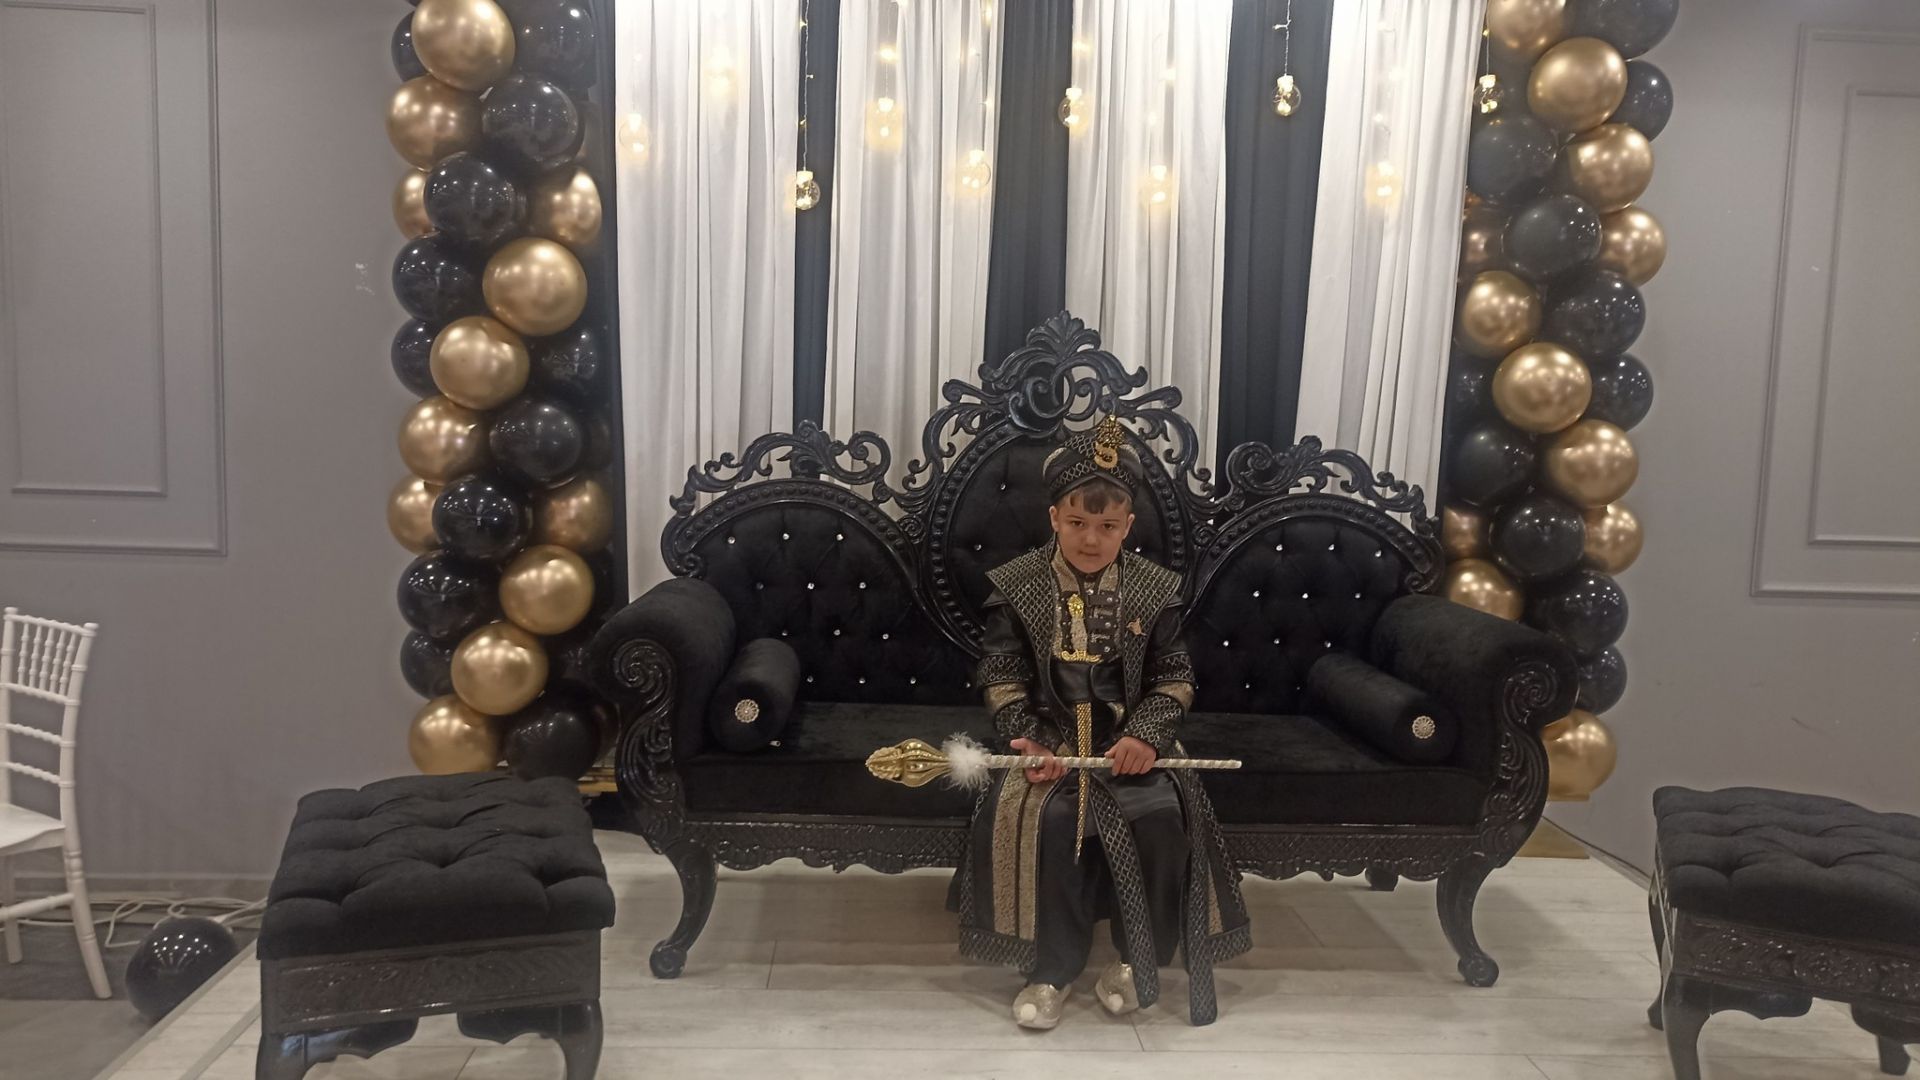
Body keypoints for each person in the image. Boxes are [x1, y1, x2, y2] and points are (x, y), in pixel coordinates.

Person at [952, 415, 1249, 1030]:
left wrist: (1146, 735)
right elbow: (1001, 674)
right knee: (1053, 821)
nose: (1091, 539)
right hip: (1049, 742)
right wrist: (1029, 740)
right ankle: (1051, 970)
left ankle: (1136, 961)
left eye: (1107, 527)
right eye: (1077, 524)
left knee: (1162, 820)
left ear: (1127, 526)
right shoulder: (1017, 585)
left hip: (1129, 745)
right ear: (1054, 518)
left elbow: (1175, 676)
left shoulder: (1154, 590)